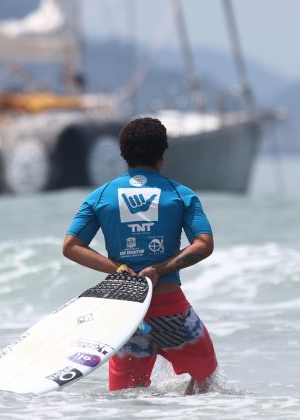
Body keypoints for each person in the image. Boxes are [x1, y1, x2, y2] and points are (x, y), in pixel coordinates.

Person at [63, 117, 218, 395]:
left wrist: (119, 267)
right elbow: (203, 243)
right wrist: (160, 269)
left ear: (123, 154)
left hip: (127, 317)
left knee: (126, 400)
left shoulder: (101, 196)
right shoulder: (180, 194)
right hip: (171, 313)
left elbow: (71, 246)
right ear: (163, 154)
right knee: (207, 381)